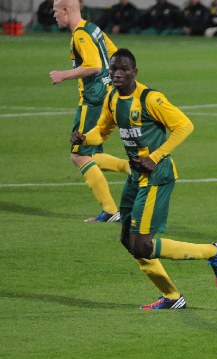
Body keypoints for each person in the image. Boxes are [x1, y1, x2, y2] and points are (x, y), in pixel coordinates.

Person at [70, 48, 217, 310]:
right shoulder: (112, 98)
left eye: (123, 69)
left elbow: (185, 126)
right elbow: (102, 131)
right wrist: (85, 138)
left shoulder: (150, 99)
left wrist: (155, 157)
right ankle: (171, 297)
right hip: (136, 176)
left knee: (142, 244)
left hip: (157, 176)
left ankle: (213, 251)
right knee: (127, 240)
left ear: (135, 72)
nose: (118, 74)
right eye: (114, 69)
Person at [49, 0, 130, 223]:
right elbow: (116, 54)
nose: (54, 15)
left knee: (79, 155)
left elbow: (94, 65)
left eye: (56, 11)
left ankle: (111, 210)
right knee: (92, 153)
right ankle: (133, 168)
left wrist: (63, 75)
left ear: (66, 10)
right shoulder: (93, 28)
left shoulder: (80, 35)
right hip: (108, 96)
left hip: (93, 101)